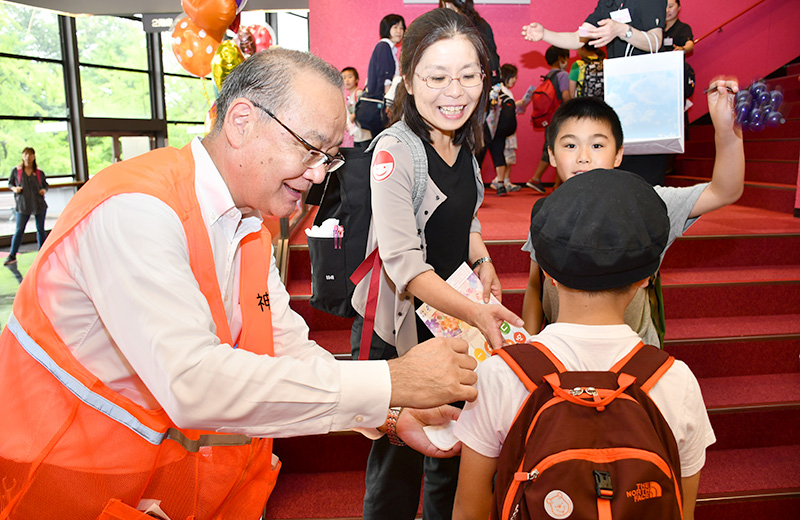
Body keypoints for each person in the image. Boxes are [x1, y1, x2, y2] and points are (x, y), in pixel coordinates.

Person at [0, 48, 481, 520]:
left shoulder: (248, 224)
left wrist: (387, 410)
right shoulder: (137, 210)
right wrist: (391, 380)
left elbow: (284, 345)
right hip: (69, 484)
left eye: (329, 158)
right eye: (309, 149)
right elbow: (193, 383)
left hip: (161, 489)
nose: (318, 174)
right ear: (241, 121)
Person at [451, 169, 716, 520]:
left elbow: (469, 508)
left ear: (547, 272)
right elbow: (682, 509)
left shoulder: (501, 374)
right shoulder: (676, 380)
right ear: (646, 278)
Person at [350, 9, 523, 520]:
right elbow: (403, 264)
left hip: (451, 320)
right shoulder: (395, 151)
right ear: (408, 79)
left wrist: (482, 258)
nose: (455, 92)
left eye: (469, 76)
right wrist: (478, 314)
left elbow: (465, 215)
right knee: (397, 465)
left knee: (452, 451)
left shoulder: (464, 141)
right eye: (437, 77)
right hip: (401, 325)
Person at [520, 79, 745, 346]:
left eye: (597, 145)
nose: (583, 157)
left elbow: (724, 191)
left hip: (634, 356)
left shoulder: (646, 203)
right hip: (563, 353)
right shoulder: (545, 211)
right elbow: (536, 286)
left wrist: (726, 131)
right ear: (551, 155)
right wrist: (529, 345)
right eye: (570, 145)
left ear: (618, 155)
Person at [521, 0, 667, 59]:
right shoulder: (607, 3)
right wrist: (545, 34)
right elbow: (577, 38)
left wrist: (622, 30)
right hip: (619, 79)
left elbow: (655, 42)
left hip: (649, 79)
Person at [524, 46, 571, 194]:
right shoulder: (563, 75)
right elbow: (565, 96)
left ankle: (557, 184)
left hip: (549, 118)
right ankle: (537, 178)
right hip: (560, 117)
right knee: (559, 148)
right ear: (561, 58)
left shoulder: (548, 76)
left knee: (555, 148)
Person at [480, 66, 520, 196]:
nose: (515, 80)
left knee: (479, 156)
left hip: (486, 127)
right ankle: (501, 185)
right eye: (514, 77)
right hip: (499, 130)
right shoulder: (505, 92)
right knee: (499, 156)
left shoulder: (487, 89)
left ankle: (475, 184)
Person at [440, 0, 501, 85]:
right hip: (487, 79)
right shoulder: (482, 24)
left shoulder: (454, 27)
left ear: (447, 4)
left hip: (466, 79)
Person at [4, 146, 48, 266]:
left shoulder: (39, 172)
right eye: (25, 154)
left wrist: (44, 190)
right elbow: (10, 183)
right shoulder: (16, 171)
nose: (28, 157)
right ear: (22, 156)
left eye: (30, 154)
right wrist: (15, 188)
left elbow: (45, 185)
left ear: (34, 156)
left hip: (38, 204)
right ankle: (12, 254)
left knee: (40, 229)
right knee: (19, 230)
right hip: (23, 204)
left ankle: (42, 254)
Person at [342, 66, 372, 148]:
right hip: (357, 135)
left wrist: (353, 115)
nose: (347, 80)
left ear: (356, 79)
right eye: (344, 78)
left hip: (364, 135)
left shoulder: (358, 93)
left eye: (350, 77)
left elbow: (363, 107)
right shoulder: (351, 96)